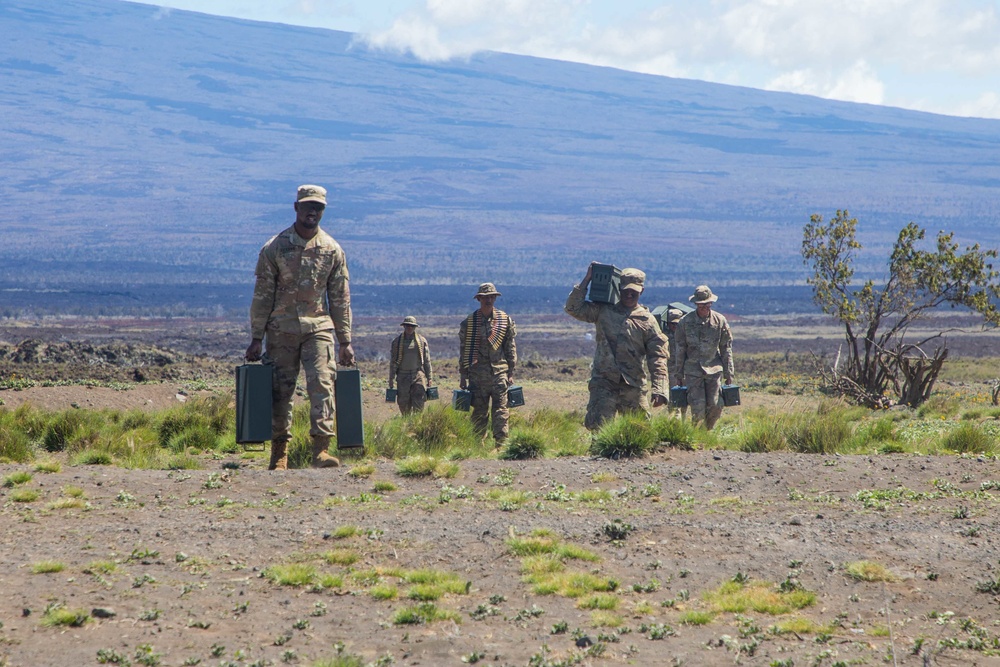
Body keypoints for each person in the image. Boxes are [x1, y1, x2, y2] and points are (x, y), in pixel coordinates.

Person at [245, 184, 354, 470]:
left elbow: (340, 298)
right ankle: (280, 453)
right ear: (296, 208)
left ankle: (321, 450)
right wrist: (256, 337)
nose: (312, 212)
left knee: (322, 383)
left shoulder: (332, 250)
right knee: (281, 391)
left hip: (318, 327)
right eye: (307, 206)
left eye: (318, 207)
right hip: (281, 330)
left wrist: (345, 341)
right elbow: (262, 294)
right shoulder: (275, 248)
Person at [564, 263, 669, 430]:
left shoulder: (648, 321)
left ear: (642, 290)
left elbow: (658, 357)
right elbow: (573, 308)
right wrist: (587, 279)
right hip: (604, 382)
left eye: (634, 291)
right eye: (625, 290)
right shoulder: (603, 311)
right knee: (599, 431)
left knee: (640, 432)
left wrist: (660, 389)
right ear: (618, 288)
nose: (629, 294)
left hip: (633, 385)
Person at [459, 283, 517, 445]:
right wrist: (463, 376)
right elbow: (464, 351)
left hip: (500, 372)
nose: (488, 300)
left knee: (501, 410)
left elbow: (510, 347)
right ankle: (477, 445)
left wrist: (511, 372)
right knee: (479, 412)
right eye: (485, 297)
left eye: (491, 297)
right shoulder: (469, 323)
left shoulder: (504, 320)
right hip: (477, 375)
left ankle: (501, 444)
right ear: (478, 299)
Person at [675, 285, 734, 430]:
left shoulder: (720, 321)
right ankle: (698, 438)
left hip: (714, 370)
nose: (704, 307)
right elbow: (680, 349)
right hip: (693, 371)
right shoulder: (685, 322)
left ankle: (707, 432)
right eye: (701, 304)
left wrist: (729, 373)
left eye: (707, 304)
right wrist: (679, 373)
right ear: (696, 304)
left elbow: (726, 348)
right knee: (697, 408)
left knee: (715, 406)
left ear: (711, 303)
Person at [388, 315, 433, 415]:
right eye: (407, 326)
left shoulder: (421, 341)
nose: (409, 328)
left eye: (412, 326)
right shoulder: (397, 342)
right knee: (404, 403)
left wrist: (429, 377)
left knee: (419, 400)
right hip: (402, 376)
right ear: (404, 326)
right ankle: (406, 423)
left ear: (415, 327)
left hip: (417, 375)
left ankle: (417, 423)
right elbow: (393, 362)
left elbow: (427, 360)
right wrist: (391, 379)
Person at [664, 308, 688, 419]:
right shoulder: (663, 337)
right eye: (671, 323)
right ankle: (675, 425)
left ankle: (683, 423)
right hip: (671, 372)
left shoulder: (686, 335)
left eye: (676, 323)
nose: (674, 326)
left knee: (685, 401)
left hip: (686, 371)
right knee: (674, 401)